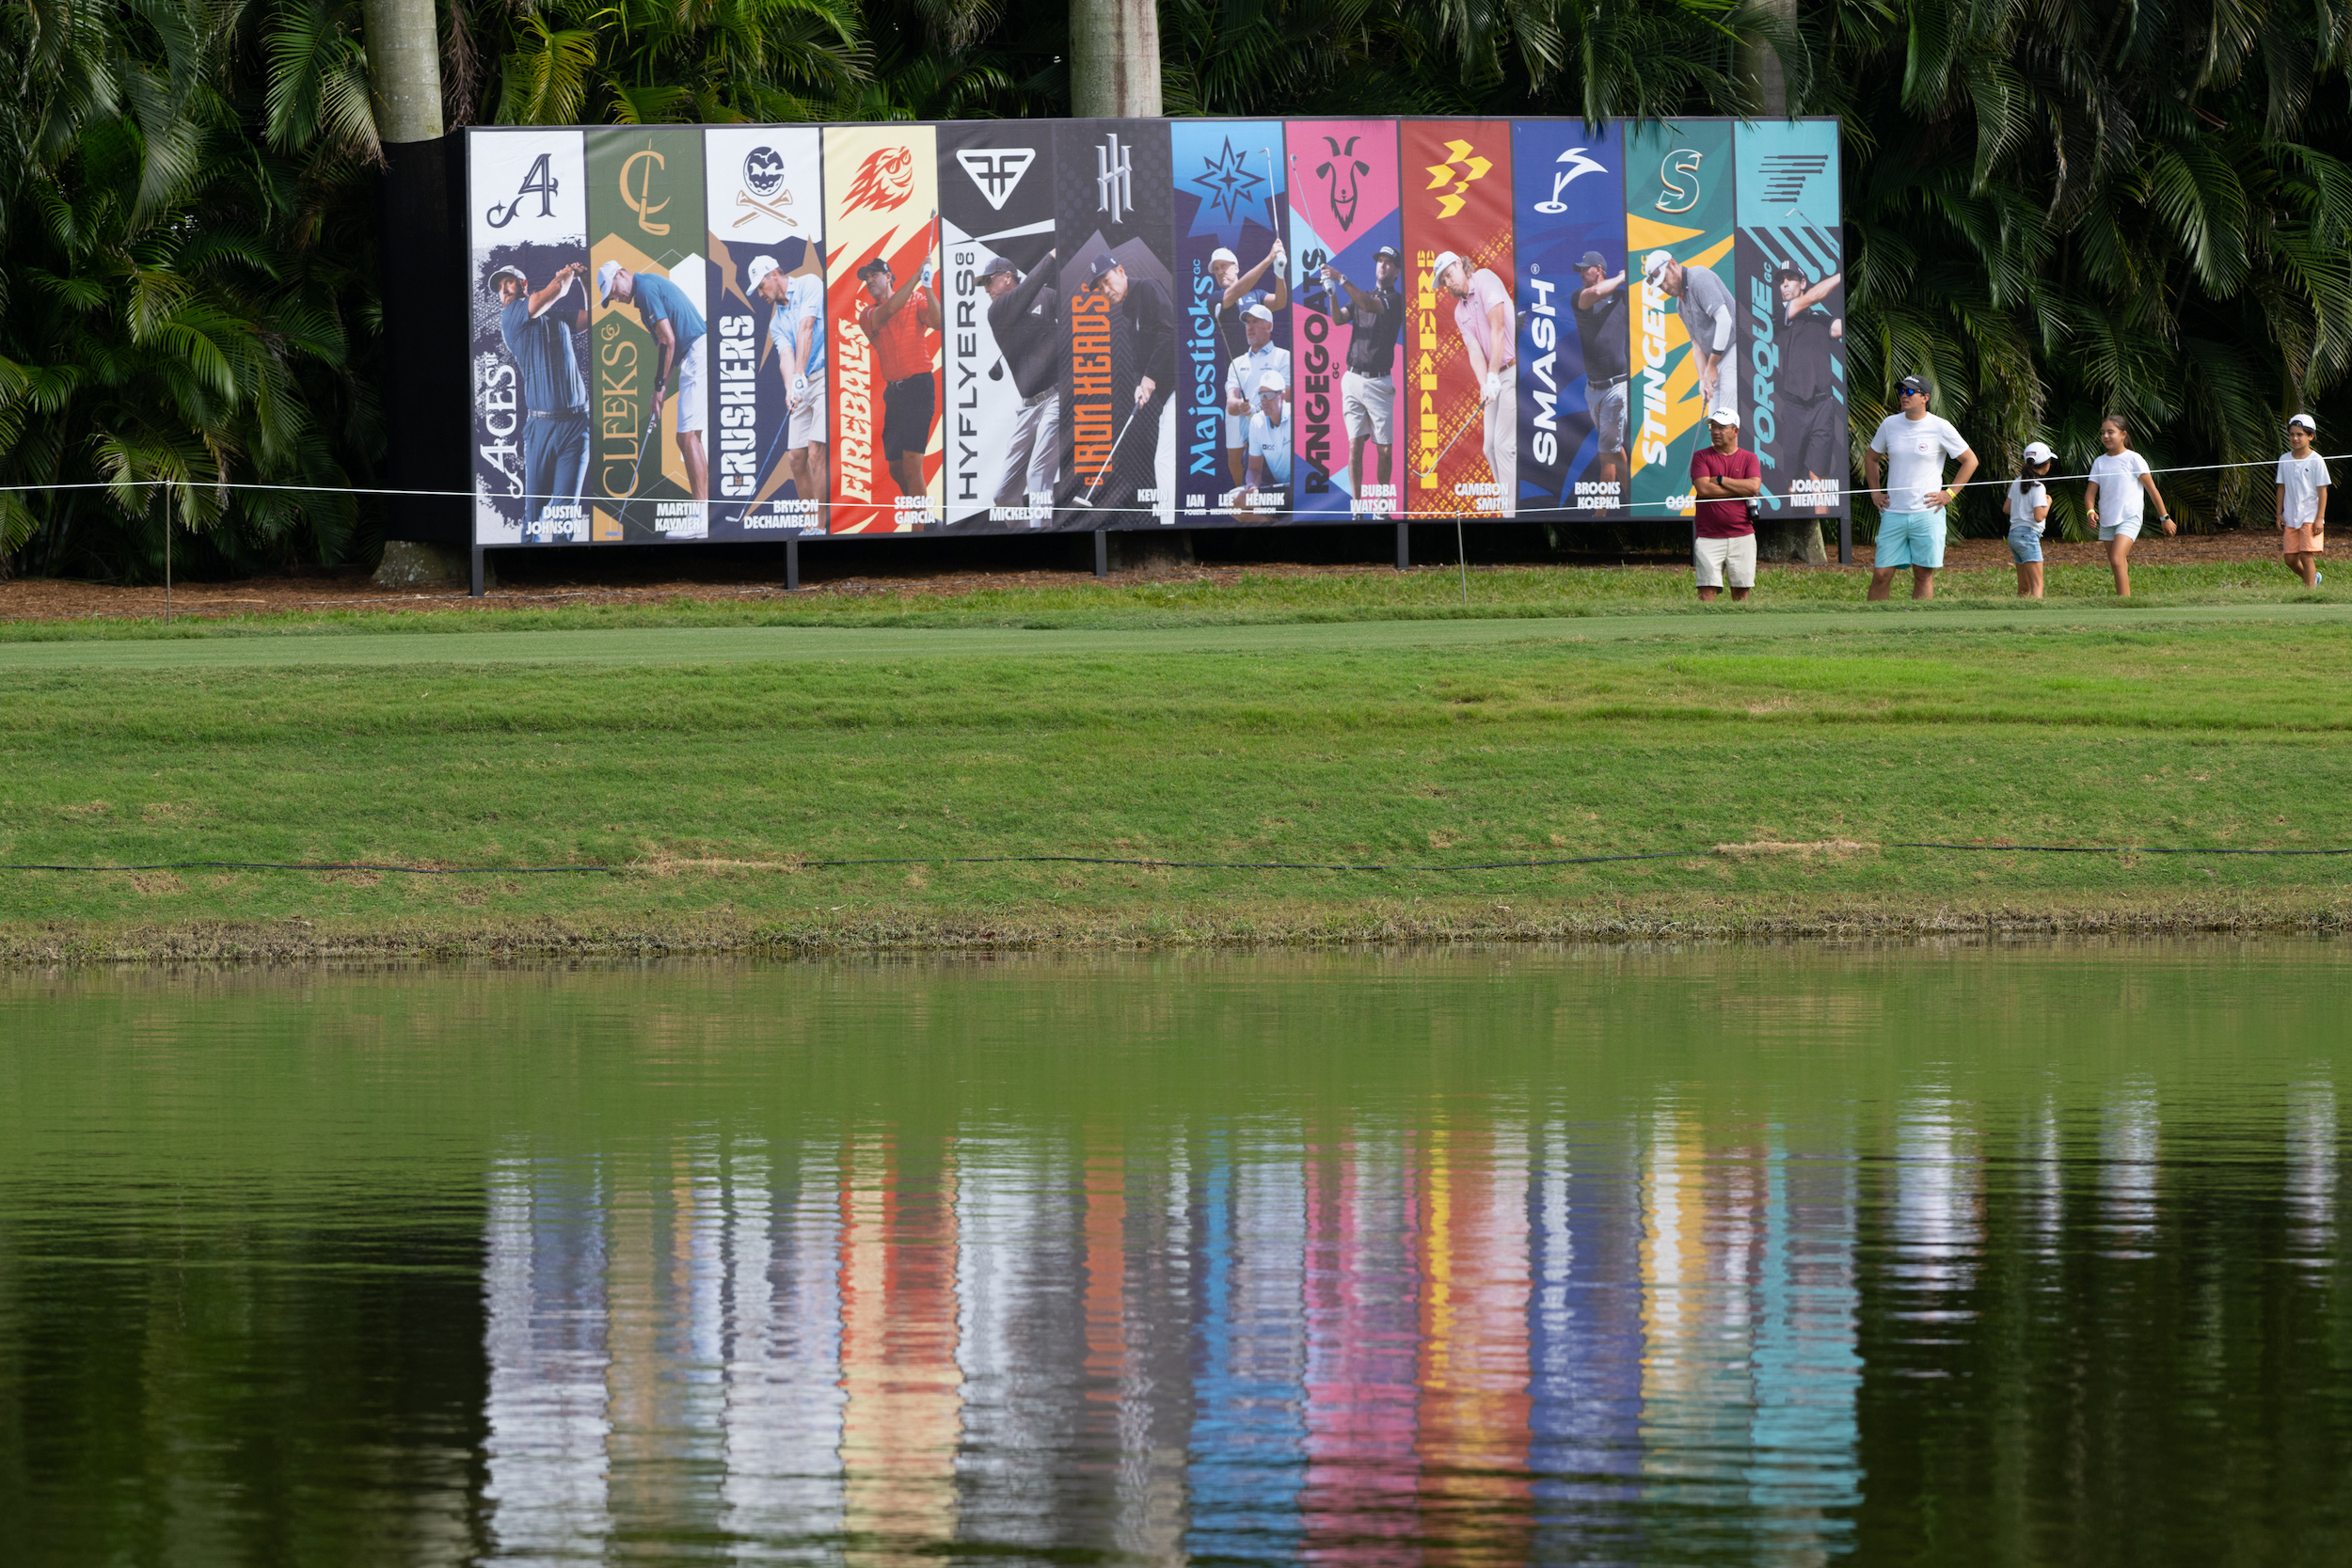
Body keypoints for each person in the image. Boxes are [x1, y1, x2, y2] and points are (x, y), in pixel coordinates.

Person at [490, 261, 590, 540]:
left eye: (508, 282)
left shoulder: (556, 317)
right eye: (499, 288)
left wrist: (584, 281)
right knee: (534, 513)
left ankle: (560, 578)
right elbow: (557, 289)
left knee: (564, 513)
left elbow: (594, 317)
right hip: (540, 428)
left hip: (576, 427)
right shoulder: (511, 315)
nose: (503, 291)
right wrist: (567, 272)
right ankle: (525, 576)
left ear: (524, 285)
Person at [596, 260, 709, 502]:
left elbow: (668, 340)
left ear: (620, 274)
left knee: (686, 437)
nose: (616, 299)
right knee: (690, 438)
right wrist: (661, 389)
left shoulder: (645, 289)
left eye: (613, 292)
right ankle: (703, 513)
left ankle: (701, 516)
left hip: (697, 353)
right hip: (695, 355)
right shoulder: (644, 291)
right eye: (611, 298)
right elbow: (664, 346)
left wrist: (659, 387)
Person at [1863, 374, 1978, 600]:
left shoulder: (1940, 427)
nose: (1903, 396)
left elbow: (1970, 460)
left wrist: (1950, 493)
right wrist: (1875, 492)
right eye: (1901, 391)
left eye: (1909, 392)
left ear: (1925, 397)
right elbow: (1871, 459)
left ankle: (1919, 628)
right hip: (1893, 512)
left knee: (1923, 574)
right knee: (1881, 574)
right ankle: (1873, 627)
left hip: (1928, 513)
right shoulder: (1889, 424)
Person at [1087, 252, 1176, 510]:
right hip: (1171, 395)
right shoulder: (1128, 314)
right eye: (1100, 287)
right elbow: (1138, 363)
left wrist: (1150, 377)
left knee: (1164, 460)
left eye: (1106, 280)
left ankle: (1169, 524)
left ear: (1121, 271)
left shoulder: (1147, 287)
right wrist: (1140, 383)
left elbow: (1169, 329)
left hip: (1187, 390)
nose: (1105, 289)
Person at [744, 240, 826, 515]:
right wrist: (790, 389)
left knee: (815, 452)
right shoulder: (776, 321)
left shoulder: (809, 284)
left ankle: (821, 528)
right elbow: (785, 357)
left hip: (824, 378)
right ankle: (810, 522)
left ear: (774, 274)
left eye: (760, 286)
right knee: (795, 458)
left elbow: (807, 328)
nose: (759, 294)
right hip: (802, 384)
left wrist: (800, 376)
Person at [1431, 250, 1516, 515]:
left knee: (1504, 445)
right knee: (1488, 446)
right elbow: (1474, 350)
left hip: (1513, 370)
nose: (1448, 282)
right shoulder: (1460, 312)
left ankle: (1512, 516)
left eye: (1449, 273)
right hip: (1493, 376)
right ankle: (1505, 508)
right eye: (1443, 280)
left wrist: (1492, 375)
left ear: (1459, 264)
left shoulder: (1485, 280)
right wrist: (1483, 383)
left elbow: (1497, 328)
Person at [856, 252, 943, 505]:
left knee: (911, 466)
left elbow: (938, 323)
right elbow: (890, 310)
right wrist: (917, 276)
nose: (869, 280)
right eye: (866, 278)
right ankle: (923, 518)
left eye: (874, 274)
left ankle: (921, 529)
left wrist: (927, 287)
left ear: (889, 277)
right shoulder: (867, 314)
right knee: (895, 468)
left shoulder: (916, 299)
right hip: (894, 394)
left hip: (918, 388)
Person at [1325, 244, 1404, 517]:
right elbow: (1337, 319)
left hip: (1380, 384)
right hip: (1352, 379)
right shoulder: (1362, 297)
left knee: (1384, 450)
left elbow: (1370, 305)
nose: (1382, 265)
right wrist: (1332, 293)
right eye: (1379, 260)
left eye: (1388, 262)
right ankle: (1357, 507)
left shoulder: (1394, 299)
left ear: (1396, 272)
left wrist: (1341, 278)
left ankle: (1381, 507)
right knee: (1355, 445)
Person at [979, 250, 1061, 515]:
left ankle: (1047, 552)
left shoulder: (1048, 297)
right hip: (1028, 408)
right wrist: (1050, 256)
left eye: (989, 282)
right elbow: (1029, 287)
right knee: (1004, 496)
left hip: (1057, 398)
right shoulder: (997, 312)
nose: (986, 289)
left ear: (1006, 277)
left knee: (1038, 474)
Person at [1772, 263, 1843, 514]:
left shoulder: (1821, 319)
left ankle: (1819, 532)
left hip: (1822, 406)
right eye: (1781, 281)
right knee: (1793, 479)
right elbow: (1814, 296)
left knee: (1818, 480)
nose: (1785, 284)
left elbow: (1840, 328)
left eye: (1791, 279)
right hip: (1793, 408)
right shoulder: (1780, 314)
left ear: (1802, 282)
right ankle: (1797, 528)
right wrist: (1840, 275)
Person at [2083, 413, 2174, 597]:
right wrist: (2090, 511)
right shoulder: (2099, 462)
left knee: (2117, 559)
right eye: (2103, 433)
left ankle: (2123, 603)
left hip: (2130, 517)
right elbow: (2089, 494)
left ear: (2123, 434)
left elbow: (2152, 490)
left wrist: (2165, 518)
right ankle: (2124, 599)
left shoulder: (2134, 459)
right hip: (2108, 519)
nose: (2106, 436)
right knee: (2117, 562)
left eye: (2111, 432)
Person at [1643, 250, 1737, 419]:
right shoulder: (1680, 305)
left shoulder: (1698, 277)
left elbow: (1724, 321)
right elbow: (1697, 346)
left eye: (1664, 279)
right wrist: (1703, 379)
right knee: (1715, 425)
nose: (1664, 288)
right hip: (1714, 361)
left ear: (1672, 263)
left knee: (1726, 425)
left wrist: (1712, 366)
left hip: (1734, 349)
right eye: (1659, 285)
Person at [1571, 249, 1629, 508]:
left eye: (1586, 268)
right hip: (1592, 389)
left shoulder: (1624, 298)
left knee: (1606, 452)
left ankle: (1600, 513)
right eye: (1581, 270)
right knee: (1614, 450)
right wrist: (1623, 277)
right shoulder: (1579, 297)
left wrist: (1626, 282)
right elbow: (1595, 294)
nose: (1582, 273)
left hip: (1617, 387)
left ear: (1599, 269)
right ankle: (1633, 499)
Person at [1689, 407, 1761, 601]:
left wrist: (1720, 479)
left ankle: (1740, 632)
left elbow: (1754, 486)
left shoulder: (1749, 458)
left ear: (1735, 431)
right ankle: (1704, 632)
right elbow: (1704, 490)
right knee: (1706, 592)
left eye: (1721, 427)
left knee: (1741, 592)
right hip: (1708, 536)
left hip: (1742, 535)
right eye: (1713, 427)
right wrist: (1740, 488)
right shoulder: (1701, 457)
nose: (1715, 431)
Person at [1222, 302, 1291, 485]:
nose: (1249, 327)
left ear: (1269, 326)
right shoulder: (1237, 363)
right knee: (1254, 507)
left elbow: (1288, 398)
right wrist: (1242, 406)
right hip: (1253, 446)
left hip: (1283, 442)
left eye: (1255, 321)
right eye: (1247, 322)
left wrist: (1256, 410)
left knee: (1285, 509)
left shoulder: (1283, 357)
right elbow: (1231, 405)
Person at [1208, 242, 1289, 362]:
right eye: (1216, 269)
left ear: (1236, 268)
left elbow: (1280, 302)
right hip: (1237, 372)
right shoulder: (1215, 299)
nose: (1220, 272)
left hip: (1264, 365)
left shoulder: (1257, 294)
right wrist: (1269, 259)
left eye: (1223, 265)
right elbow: (1239, 290)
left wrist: (1279, 273)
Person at [2277, 412, 2328, 588]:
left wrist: (2319, 518)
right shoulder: (2284, 459)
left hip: (2310, 516)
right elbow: (2281, 487)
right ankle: (2313, 579)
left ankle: (2309, 594)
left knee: (2306, 555)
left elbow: (2322, 491)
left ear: (2310, 436)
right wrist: (2279, 513)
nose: (2295, 438)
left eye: (2300, 434)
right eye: (2292, 434)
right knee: (2290, 559)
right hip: (2290, 516)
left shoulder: (2317, 460)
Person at [2006, 440, 2055, 599]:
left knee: (2024, 586)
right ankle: (2036, 619)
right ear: (2046, 464)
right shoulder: (2039, 487)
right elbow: (2039, 516)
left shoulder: (2017, 481)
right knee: (2037, 584)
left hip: (2013, 535)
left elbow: (2006, 508)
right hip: (2028, 536)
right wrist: (2048, 503)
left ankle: (2020, 616)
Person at [1242, 370, 1292, 508]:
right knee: (1235, 502)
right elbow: (1254, 469)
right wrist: (1251, 485)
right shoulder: (1256, 422)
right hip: (1278, 493)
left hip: (1304, 491)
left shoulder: (1297, 417)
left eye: (1268, 395)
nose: (1264, 401)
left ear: (1282, 395)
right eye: (1261, 395)